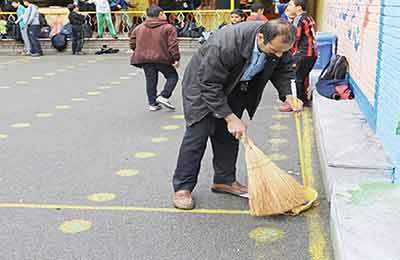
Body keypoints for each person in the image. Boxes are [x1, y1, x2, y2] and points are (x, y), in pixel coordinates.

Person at [172, 20, 303, 210]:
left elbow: (283, 69)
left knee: (228, 135)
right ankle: (183, 188)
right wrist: (231, 117)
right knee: (197, 135)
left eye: (283, 51)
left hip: (235, 87)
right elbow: (208, 85)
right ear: (260, 38)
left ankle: (224, 180)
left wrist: (289, 96)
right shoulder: (225, 44)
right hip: (202, 87)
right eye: (274, 51)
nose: (279, 55)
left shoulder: (278, 44)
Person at [129, 5, 180, 112]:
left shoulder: (139, 27)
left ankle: (152, 104)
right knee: (172, 76)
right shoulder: (169, 28)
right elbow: (173, 45)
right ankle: (164, 96)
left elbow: (132, 42)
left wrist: (139, 50)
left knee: (150, 80)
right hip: (162, 58)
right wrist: (176, 59)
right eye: (164, 13)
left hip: (144, 59)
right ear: (161, 14)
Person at [284, 0, 317, 107]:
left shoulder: (299, 19)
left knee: (297, 78)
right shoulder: (309, 17)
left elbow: (294, 38)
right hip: (312, 53)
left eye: (290, 5)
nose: (288, 7)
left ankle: (299, 102)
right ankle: (304, 100)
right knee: (302, 77)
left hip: (303, 53)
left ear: (298, 8)